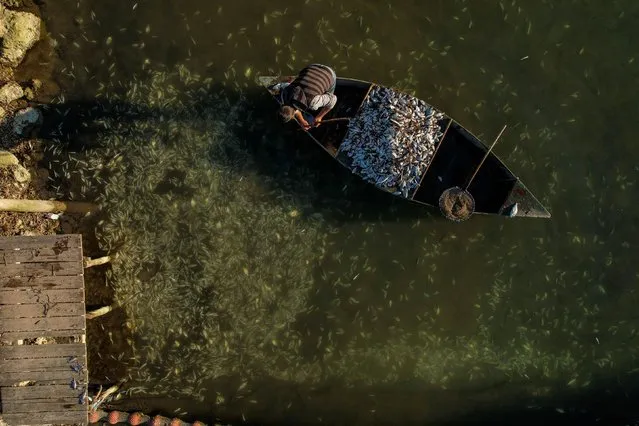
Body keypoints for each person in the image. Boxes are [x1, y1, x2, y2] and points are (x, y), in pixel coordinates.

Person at [272, 64, 337, 130]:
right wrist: (302, 120)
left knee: (330, 96)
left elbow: (334, 99)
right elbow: (293, 108)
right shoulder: (285, 92)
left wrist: (319, 117)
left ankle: (326, 98)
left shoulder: (313, 103)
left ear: (292, 117)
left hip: (329, 72)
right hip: (312, 67)